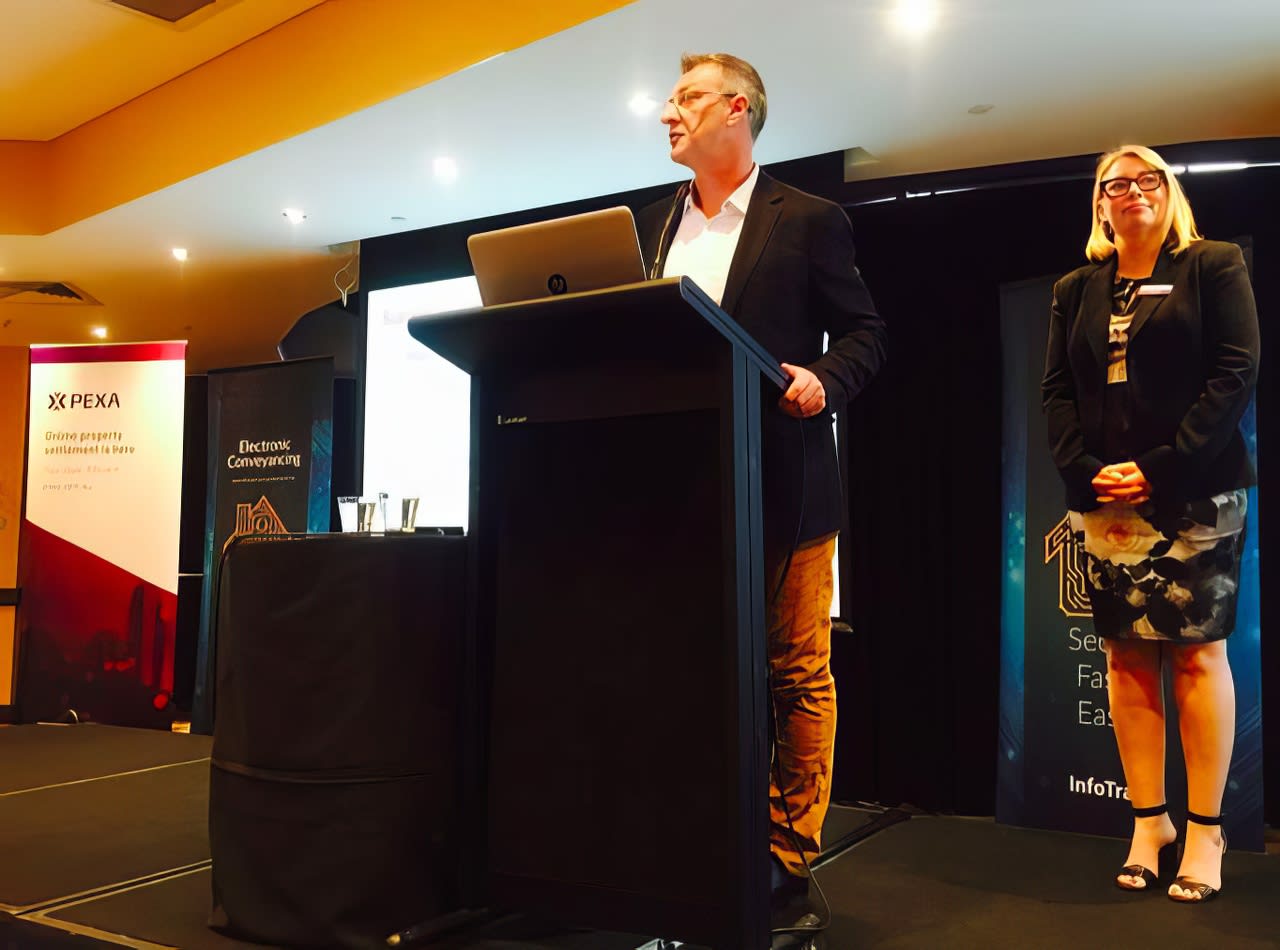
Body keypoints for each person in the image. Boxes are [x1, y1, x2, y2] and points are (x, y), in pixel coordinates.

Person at [637, 52, 886, 906]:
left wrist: (826, 379)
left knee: (795, 672)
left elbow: (866, 334)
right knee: (697, 667)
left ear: (736, 109)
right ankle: (709, 825)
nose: (668, 113)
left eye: (686, 99)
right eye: (670, 101)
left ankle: (787, 850)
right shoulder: (657, 226)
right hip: (682, 491)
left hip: (786, 481)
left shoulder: (808, 218)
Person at [1042, 144, 1259, 902]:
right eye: (1114, 184)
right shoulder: (1076, 288)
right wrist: (1083, 470)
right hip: (1105, 500)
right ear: (1099, 204)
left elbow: (1237, 372)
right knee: (1126, 658)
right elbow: (1057, 391)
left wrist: (1162, 465)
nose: (1131, 192)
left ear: (1167, 193)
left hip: (1196, 492)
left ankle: (1205, 832)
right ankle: (1149, 824)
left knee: (1197, 659)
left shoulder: (1214, 264)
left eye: (1146, 179)